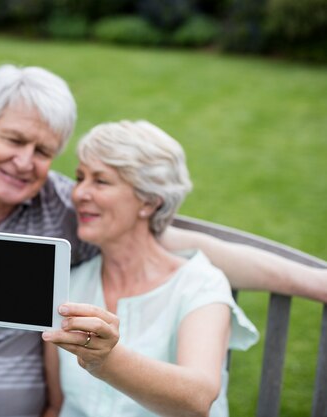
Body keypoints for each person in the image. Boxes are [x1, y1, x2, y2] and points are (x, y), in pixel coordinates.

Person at [0, 64, 326, 417]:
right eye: (14, 140)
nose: (25, 163)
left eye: (43, 151)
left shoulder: (62, 206)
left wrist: (314, 280)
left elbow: (169, 245)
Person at [42, 120, 259, 417]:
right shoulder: (69, 284)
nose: (79, 193)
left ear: (149, 202)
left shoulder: (199, 285)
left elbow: (199, 399)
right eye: (80, 178)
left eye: (100, 181)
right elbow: (56, 406)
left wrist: (107, 360)